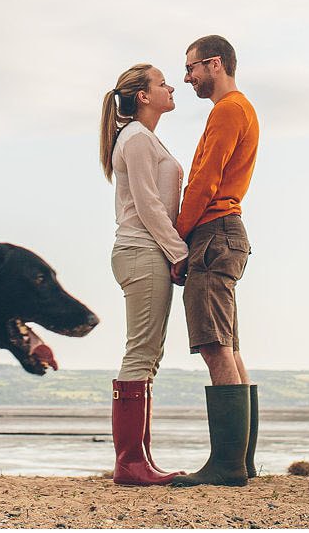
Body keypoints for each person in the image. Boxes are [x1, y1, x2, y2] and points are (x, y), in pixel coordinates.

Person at [170, 34, 260, 488]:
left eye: (191, 68)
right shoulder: (238, 109)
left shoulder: (228, 110)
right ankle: (240, 462)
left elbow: (205, 181)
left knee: (214, 345)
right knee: (229, 346)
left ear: (215, 63)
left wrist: (178, 239)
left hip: (214, 232)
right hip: (227, 232)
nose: (186, 78)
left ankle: (227, 466)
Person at [99, 62, 189, 486]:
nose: (171, 87)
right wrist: (179, 251)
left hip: (146, 250)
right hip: (143, 250)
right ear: (143, 96)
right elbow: (149, 204)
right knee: (141, 352)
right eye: (161, 83)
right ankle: (130, 463)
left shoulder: (144, 138)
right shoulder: (135, 138)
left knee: (149, 355)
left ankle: (141, 461)